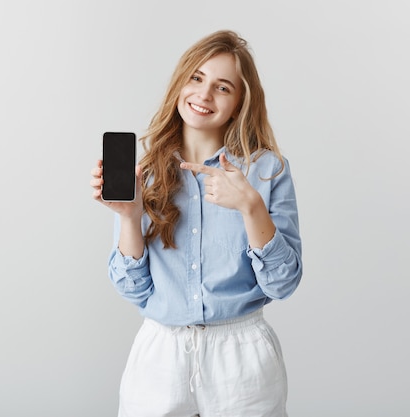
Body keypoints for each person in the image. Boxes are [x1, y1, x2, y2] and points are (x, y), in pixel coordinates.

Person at [90, 29, 302, 417]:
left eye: (223, 87)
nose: (204, 95)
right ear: (180, 84)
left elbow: (283, 284)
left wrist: (250, 207)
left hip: (242, 356)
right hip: (159, 355)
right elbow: (134, 290)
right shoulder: (146, 172)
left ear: (239, 103)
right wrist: (129, 217)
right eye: (197, 78)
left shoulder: (267, 171)